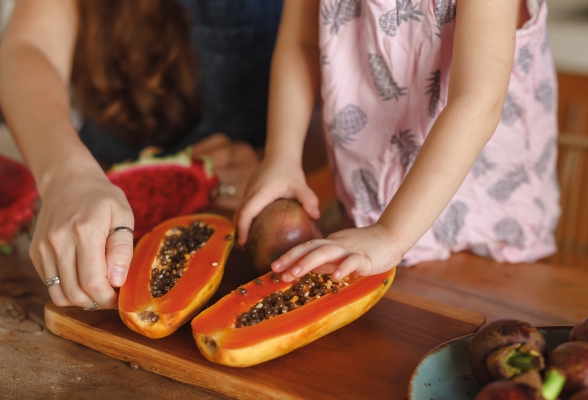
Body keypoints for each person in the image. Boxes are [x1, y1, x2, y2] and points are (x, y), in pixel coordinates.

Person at [236, 0, 559, 282]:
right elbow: (301, 43)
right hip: (370, 217)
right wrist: (282, 157)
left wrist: (390, 234)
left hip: (486, 228)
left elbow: (476, 102)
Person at [0, 0, 282, 310]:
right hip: (98, 199)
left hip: (255, 212)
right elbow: (29, 47)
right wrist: (65, 173)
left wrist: (282, 158)